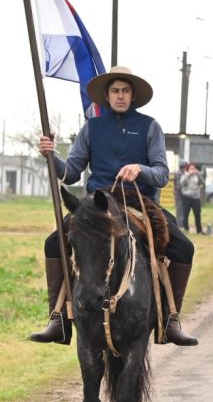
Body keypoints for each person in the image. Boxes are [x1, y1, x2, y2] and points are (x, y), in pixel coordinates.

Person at [31, 66, 197, 346]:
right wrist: (52, 155)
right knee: (53, 243)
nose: (120, 96)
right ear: (107, 96)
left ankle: (170, 320)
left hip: (139, 201)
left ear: (133, 96)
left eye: (125, 91)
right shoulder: (91, 128)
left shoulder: (150, 126)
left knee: (184, 247)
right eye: (115, 91)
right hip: (99, 201)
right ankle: (58, 318)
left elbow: (160, 173)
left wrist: (139, 168)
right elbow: (70, 173)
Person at [179, 162, 204, 233]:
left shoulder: (197, 176)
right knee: (185, 213)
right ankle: (186, 229)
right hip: (187, 197)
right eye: (191, 168)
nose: (193, 170)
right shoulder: (185, 175)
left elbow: (202, 183)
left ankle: (199, 230)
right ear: (188, 169)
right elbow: (182, 183)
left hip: (196, 198)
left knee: (197, 214)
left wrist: (198, 174)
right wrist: (188, 174)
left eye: (194, 168)